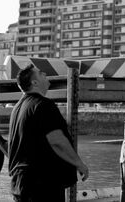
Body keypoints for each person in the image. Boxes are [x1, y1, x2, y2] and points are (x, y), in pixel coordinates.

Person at [8, 64, 89, 202]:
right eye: (41, 73)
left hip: (20, 182)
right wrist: (79, 164)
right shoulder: (44, 105)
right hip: (41, 185)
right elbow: (57, 141)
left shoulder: (17, 108)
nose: (45, 73)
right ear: (34, 82)